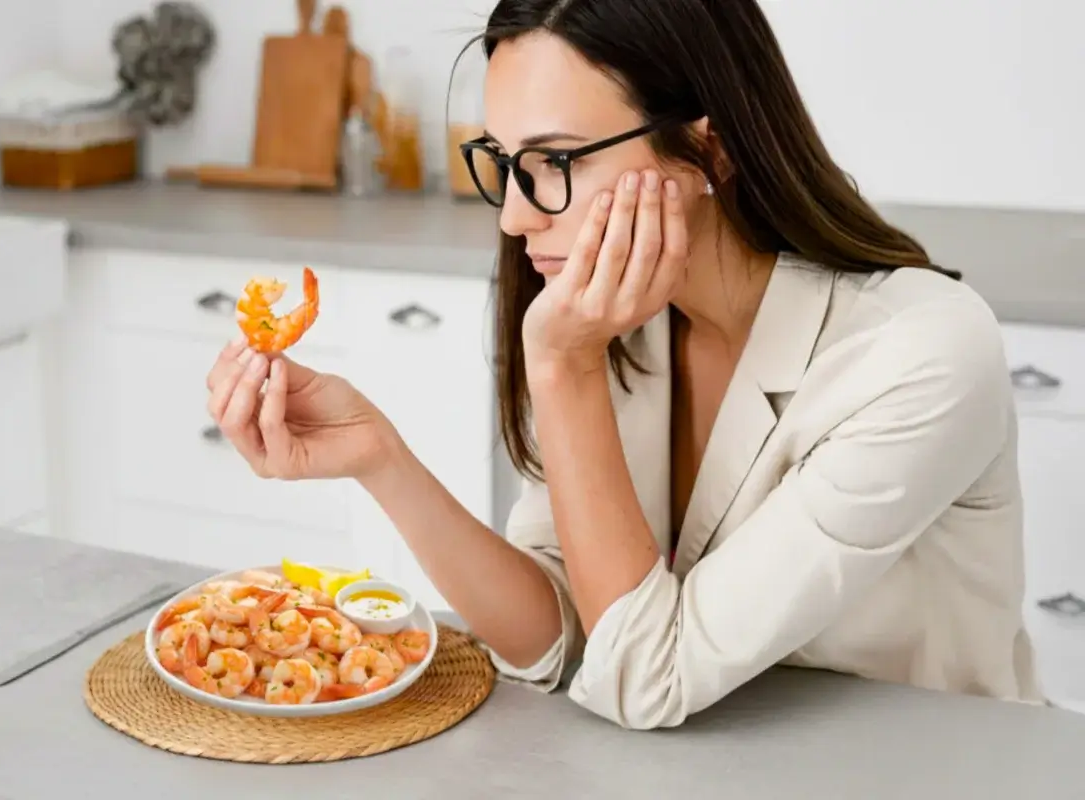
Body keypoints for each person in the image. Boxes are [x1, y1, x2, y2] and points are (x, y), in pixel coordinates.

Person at [205, 0, 1042, 730]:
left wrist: (562, 370)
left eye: (558, 162)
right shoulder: (624, 325)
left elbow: (645, 678)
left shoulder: (920, 354)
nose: (516, 219)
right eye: (506, 164)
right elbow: (565, 634)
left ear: (709, 153)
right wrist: (377, 458)